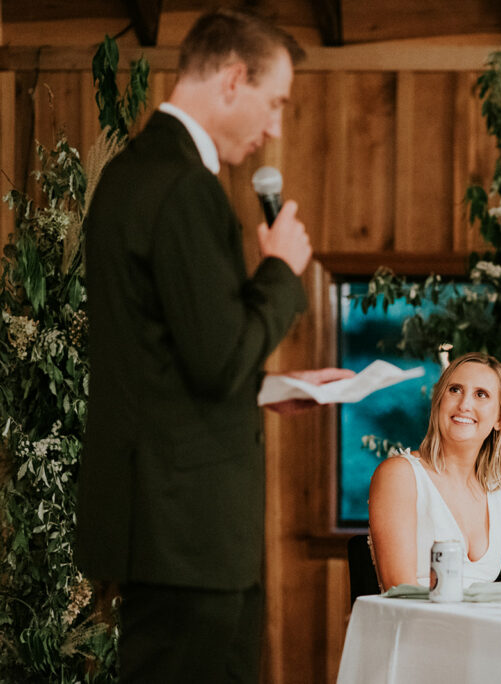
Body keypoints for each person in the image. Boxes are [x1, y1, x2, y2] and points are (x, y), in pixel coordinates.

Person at [74, 9, 349, 683]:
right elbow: (220, 356)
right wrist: (281, 273)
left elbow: (165, 354)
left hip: (162, 523)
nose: (276, 127)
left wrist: (271, 387)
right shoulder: (184, 188)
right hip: (189, 533)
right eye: (275, 102)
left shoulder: (132, 175)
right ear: (232, 80)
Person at [369, 353, 501, 590]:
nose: (464, 404)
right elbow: (400, 591)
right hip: (418, 623)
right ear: (439, 402)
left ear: (500, 419)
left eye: (481, 394)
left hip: (484, 627)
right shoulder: (400, 475)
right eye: (455, 390)